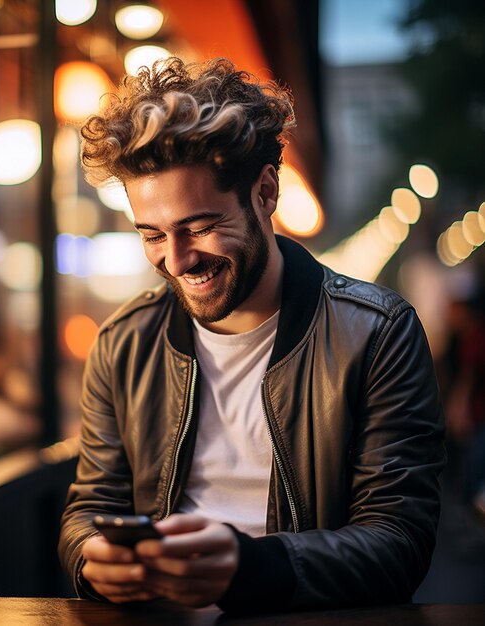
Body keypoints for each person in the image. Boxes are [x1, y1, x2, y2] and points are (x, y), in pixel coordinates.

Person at [58, 57, 445, 612]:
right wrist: (93, 560)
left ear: (265, 193)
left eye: (200, 227)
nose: (176, 259)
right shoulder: (122, 343)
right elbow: (88, 508)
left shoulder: (378, 334)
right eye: (152, 235)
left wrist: (251, 569)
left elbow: (400, 542)